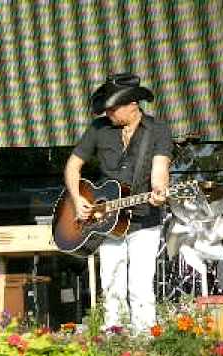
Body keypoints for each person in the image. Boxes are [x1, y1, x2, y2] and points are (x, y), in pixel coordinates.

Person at [64, 73, 173, 334]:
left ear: (133, 104)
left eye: (112, 108)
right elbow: (72, 166)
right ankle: (115, 340)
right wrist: (78, 198)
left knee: (140, 285)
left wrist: (159, 190)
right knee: (111, 286)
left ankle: (144, 341)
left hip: (144, 220)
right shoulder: (99, 129)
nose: (108, 113)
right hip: (107, 221)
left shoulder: (158, 130)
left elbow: (160, 170)